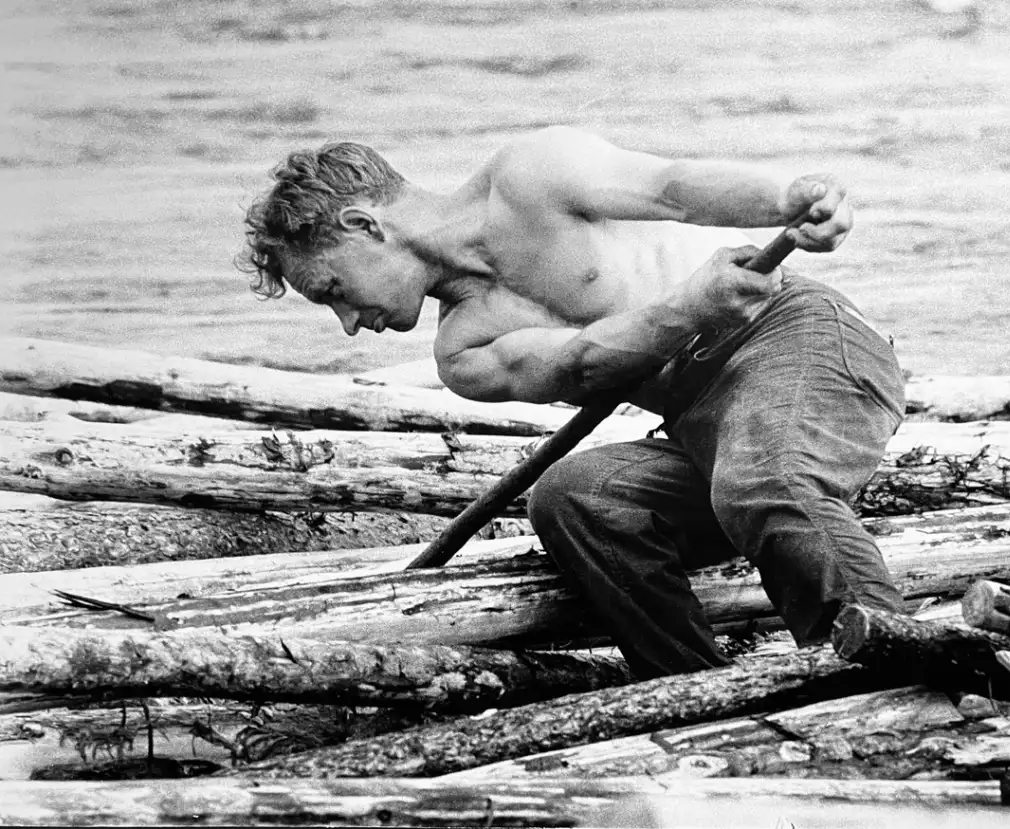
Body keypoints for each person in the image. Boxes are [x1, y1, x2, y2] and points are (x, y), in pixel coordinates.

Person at [240, 126, 906, 679]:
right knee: (574, 497)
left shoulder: (531, 176)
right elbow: (583, 358)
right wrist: (685, 308)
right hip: (704, 416)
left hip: (791, 335)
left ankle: (887, 660)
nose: (349, 324)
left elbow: (672, 190)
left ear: (363, 225)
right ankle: (693, 689)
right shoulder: (464, 350)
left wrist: (789, 201)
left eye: (331, 288)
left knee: (762, 476)